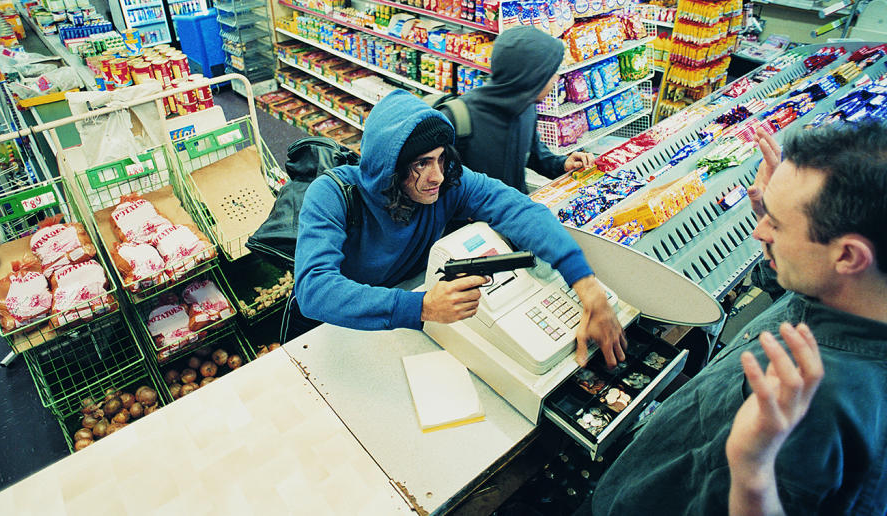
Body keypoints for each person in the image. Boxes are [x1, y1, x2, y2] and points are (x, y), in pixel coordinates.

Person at [586, 119, 887, 515]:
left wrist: (752, 474)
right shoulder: (847, 293)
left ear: (847, 256)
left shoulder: (823, 402)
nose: (758, 231)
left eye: (775, 224)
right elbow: (789, 286)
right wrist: (779, 216)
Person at [290, 89, 627, 367]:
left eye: (440, 159)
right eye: (421, 163)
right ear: (388, 168)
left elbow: (521, 211)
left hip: (399, 327)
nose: (436, 175)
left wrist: (587, 285)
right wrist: (420, 307)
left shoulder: (448, 184)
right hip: (333, 332)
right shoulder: (333, 194)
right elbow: (314, 289)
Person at [441, 25, 594, 194]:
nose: (556, 78)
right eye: (550, 72)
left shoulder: (525, 107)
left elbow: (533, 152)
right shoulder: (456, 119)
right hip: (475, 220)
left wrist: (561, 164)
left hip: (515, 212)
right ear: (530, 77)